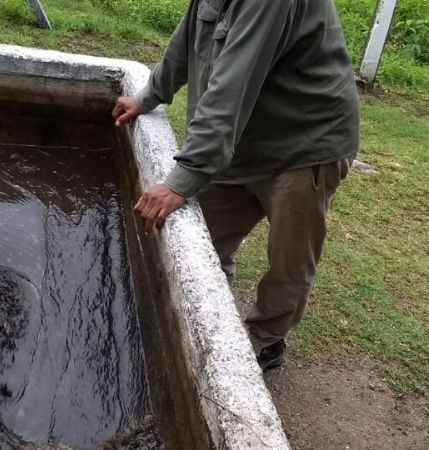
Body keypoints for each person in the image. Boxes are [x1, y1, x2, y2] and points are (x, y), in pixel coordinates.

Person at [111, 0, 360, 370]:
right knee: (202, 239)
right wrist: (149, 95)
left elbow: (232, 85)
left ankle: (265, 340)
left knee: (289, 262)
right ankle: (210, 320)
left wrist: (182, 180)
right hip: (242, 143)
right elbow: (189, 37)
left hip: (304, 146)